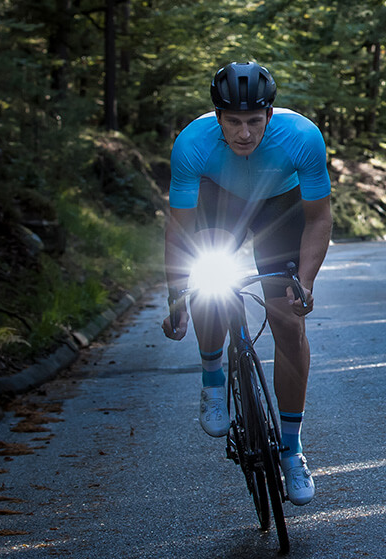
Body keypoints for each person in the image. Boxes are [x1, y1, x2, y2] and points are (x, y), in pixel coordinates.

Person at [160, 62, 332, 506]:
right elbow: (178, 231)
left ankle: (292, 450)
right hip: (221, 203)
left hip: (281, 207)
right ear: (216, 117)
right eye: (233, 121)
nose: (243, 133)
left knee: (288, 324)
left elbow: (319, 218)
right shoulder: (192, 143)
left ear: (270, 115)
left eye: (254, 121)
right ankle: (212, 376)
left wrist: (305, 283)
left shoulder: (302, 137)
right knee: (206, 279)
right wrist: (175, 295)